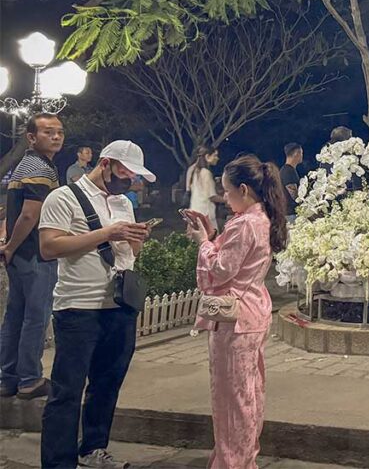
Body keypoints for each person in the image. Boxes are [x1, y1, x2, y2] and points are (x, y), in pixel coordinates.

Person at [37, 140, 155, 469]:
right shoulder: (63, 197)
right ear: (105, 164)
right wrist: (106, 233)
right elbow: (49, 247)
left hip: (119, 307)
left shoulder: (124, 203)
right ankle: (58, 462)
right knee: (67, 392)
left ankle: (93, 450)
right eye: (124, 173)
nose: (129, 181)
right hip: (78, 308)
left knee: (107, 385)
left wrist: (133, 240)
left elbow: (128, 257)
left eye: (134, 176)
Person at [183, 155, 288, 469]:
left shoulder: (245, 224)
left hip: (235, 319)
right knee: (249, 391)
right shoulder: (262, 219)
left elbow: (220, 270)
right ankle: (242, 457)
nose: (225, 199)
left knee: (232, 399)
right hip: (253, 311)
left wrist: (203, 242)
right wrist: (213, 239)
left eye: (227, 192)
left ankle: (232, 461)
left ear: (243, 189)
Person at [0, 113, 64, 401]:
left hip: (20, 257)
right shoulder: (40, 168)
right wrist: (11, 245)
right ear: (31, 137)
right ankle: (29, 379)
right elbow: (29, 214)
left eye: (59, 132)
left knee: (15, 316)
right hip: (35, 255)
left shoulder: (23, 165)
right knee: (35, 317)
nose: (56, 136)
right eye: (48, 132)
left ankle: (7, 378)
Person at [186, 147, 221, 231]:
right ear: (207, 156)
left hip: (193, 212)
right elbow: (212, 196)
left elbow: (189, 189)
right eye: (215, 155)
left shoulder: (191, 169)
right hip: (205, 215)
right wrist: (227, 200)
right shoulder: (206, 173)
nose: (217, 158)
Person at [280, 142, 303, 223]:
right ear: (297, 153)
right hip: (291, 215)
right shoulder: (288, 171)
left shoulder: (288, 170)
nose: (302, 156)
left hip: (291, 214)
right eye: (301, 153)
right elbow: (294, 195)